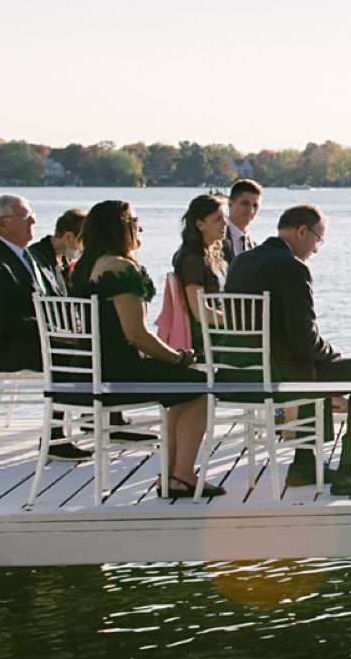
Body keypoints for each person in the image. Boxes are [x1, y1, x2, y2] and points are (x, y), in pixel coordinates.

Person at [224, 205, 351, 494]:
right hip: (280, 377)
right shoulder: (293, 268)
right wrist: (334, 353)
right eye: (318, 239)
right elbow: (304, 340)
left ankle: (305, 463)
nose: (316, 249)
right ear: (301, 231)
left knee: (310, 364)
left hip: (239, 373)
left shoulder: (242, 262)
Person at [69, 201, 211, 499]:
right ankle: (181, 474)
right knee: (201, 385)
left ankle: (172, 473)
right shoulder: (120, 268)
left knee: (183, 383)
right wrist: (179, 357)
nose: (140, 227)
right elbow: (136, 334)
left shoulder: (83, 268)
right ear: (119, 227)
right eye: (134, 220)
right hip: (119, 372)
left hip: (88, 371)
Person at [0, 194, 64, 372]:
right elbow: (7, 321)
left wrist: (74, 325)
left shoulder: (35, 257)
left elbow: (56, 299)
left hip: (47, 339)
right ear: (2, 224)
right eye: (25, 217)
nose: (33, 221)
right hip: (14, 350)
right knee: (93, 356)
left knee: (104, 345)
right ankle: (78, 399)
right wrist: (56, 332)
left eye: (32, 215)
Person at [170, 192, 230, 348]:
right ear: (200, 224)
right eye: (218, 219)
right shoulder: (192, 259)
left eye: (225, 217)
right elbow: (199, 312)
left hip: (220, 332)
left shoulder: (213, 255)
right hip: (208, 341)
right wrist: (238, 321)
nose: (225, 223)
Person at [29, 208, 86, 292]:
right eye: (82, 242)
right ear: (68, 237)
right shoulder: (36, 258)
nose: (83, 248)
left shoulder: (64, 259)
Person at [220, 179, 262, 266]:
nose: (251, 210)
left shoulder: (255, 247)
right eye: (245, 203)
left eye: (255, 205)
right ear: (230, 204)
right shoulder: (215, 239)